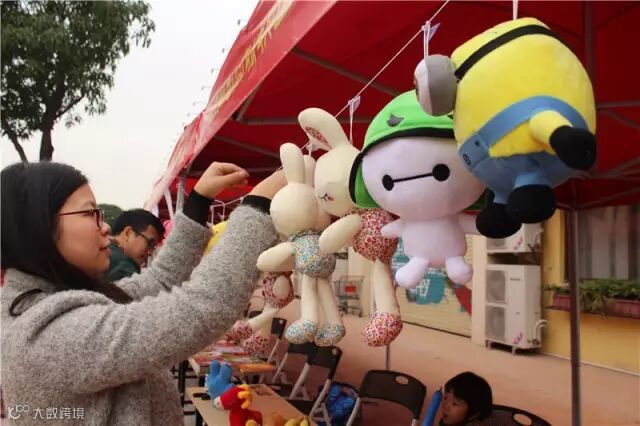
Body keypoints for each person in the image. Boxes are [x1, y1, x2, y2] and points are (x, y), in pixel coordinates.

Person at [1, 160, 286, 425]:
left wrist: (199, 201)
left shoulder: (50, 298)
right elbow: (199, 309)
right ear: (37, 226)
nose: (105, 227)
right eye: (90, 213)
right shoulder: (47, 334)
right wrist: (257, 208)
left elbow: (158, 282)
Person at [106, 209, 165, 281]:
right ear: (127, 233)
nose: (150, 253)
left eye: (153, 247)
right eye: (150, 243)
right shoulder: (124, 267)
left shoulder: (104, 254)